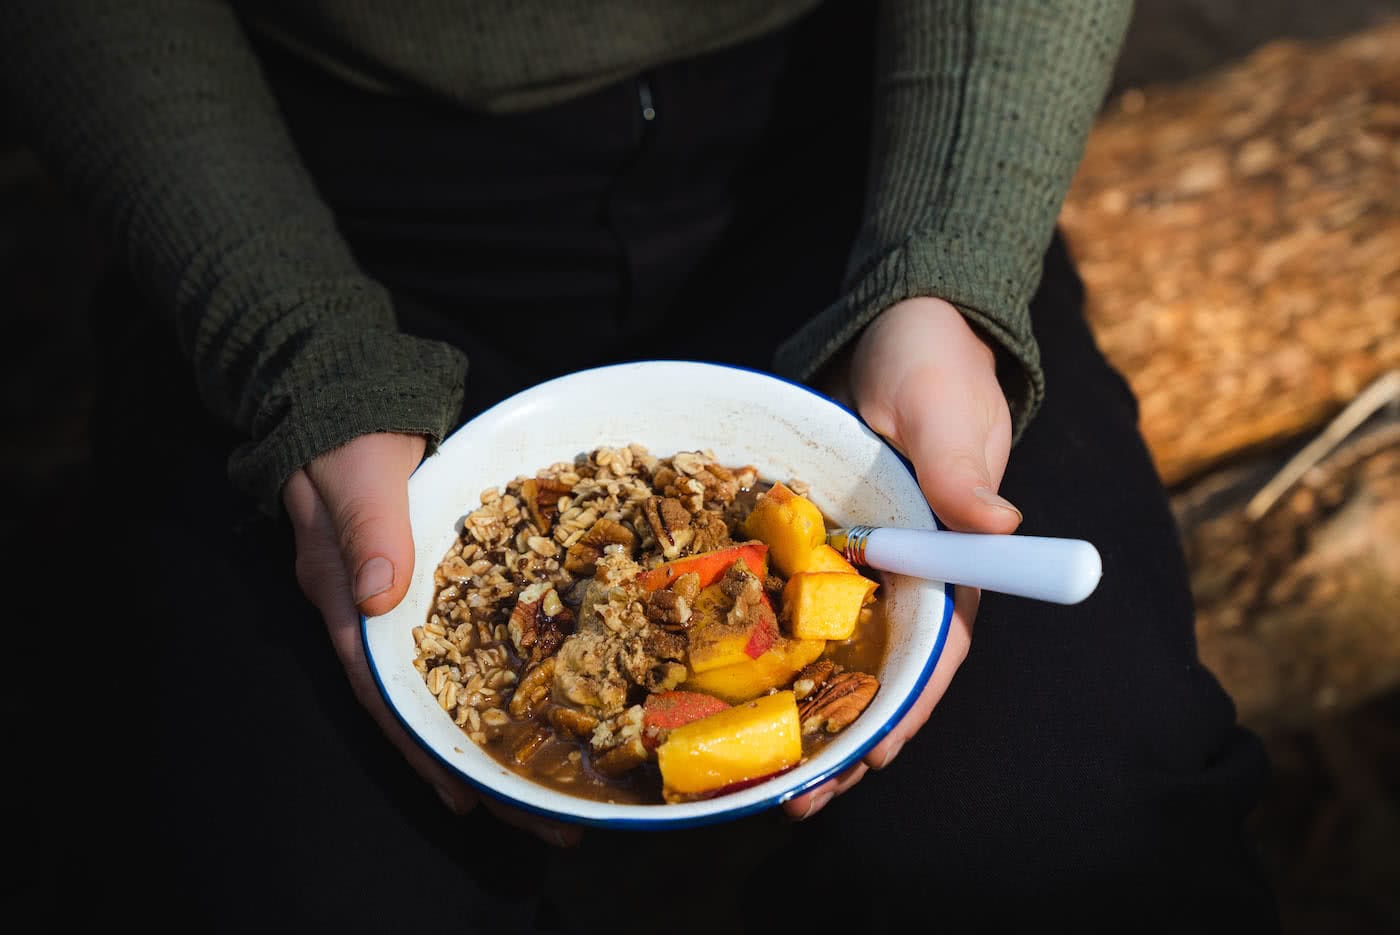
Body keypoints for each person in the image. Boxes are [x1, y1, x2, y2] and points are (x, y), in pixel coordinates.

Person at [8, 2, 1280, 931]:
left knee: (1072, 821)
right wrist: (302, 365)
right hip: (304, 198)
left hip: (869, 142)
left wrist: (948, 268)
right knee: (273, 873)